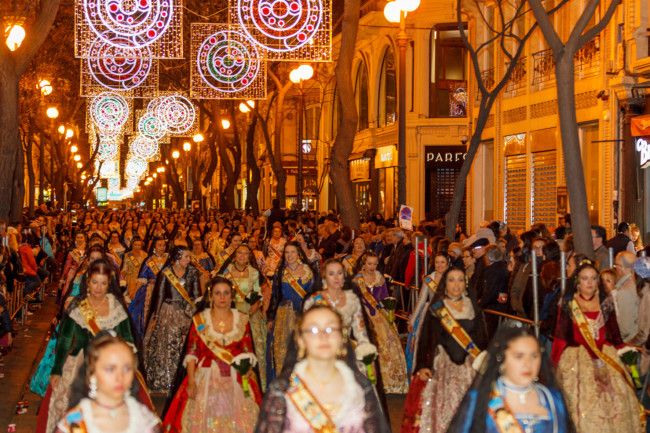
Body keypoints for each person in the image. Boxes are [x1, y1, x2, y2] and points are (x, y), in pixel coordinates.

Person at [36, 259, 140, 433]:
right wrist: (57, 369)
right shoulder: (78, 307)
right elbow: (65, 340)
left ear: (109, 284)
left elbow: (128, 340)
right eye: (94, 282)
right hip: (79, 365)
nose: (98, 287)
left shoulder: (116, 307)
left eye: (103, 283)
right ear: (87, 282)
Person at [254, 305, 391, 433]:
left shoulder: (360, 387)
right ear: (300, 340)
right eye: (313, 330)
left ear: (342, 338)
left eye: (331, 329)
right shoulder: (283, 390)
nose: (323, 336)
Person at [551, 262, 644, 433]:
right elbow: (561, 336)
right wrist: (553, 364)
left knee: (618, 402)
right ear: (577, 282)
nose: (590, 282)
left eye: (594, 278)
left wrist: (626, 355)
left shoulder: (605, 302)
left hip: (606, 356)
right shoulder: (568, 303)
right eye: (585, 278)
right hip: (577, 359)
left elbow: (615, 334)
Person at [163, 277, 262, 433]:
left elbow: (247, 350)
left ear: (232, 296)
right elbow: (192, 351)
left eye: (226, 293)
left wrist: (247, 374)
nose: (222, 297)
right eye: (217, 293)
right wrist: (191, 382)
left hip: (237, 376)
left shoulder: (242, 319)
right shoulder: (200, 320)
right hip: (206, 375)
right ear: (211, 296)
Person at [401, 267, 488, 433]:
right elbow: (426, 340)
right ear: (445, 284)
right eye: (451, 280)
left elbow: (482, 339)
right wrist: (423, 365)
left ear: (466, 283)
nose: (456, 284)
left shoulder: (473, 307)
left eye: (460, 280)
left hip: (469, 369)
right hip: (442, 368)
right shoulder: (438, 308)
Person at [447, 325, 573, 433]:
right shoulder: (483, 398)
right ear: (501, 358)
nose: (528, 364)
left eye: (534, 356)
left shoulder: (552, 399)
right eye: (519, 356)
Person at [55, 333, 160, 433]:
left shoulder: (143, 418)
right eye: (110, 369)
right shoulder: (76, 421)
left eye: (127, 368)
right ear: (92, 374)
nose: (120, 377)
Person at [143, 246, 201, 393]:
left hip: (187, 313)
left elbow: (196, 295)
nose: (189, 259)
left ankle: (185, 377)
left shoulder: (193, 272)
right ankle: (166, 379)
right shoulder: (166, 272)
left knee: (185, 344)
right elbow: (160, 295)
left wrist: (196, 312)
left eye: (189, 257)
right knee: (167, 344)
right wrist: (156, 316)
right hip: (168, 312)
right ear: (177, 258)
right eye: (186, 257)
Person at [303, 259, 377, 364]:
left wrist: (365, 348)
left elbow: (360, 331)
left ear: (344, 276)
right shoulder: (313, 301)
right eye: (331, 274)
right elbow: (306, 332)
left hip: (346, 354)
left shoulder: (352, 299)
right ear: (324, 277)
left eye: (339, 273)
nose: (336, 277)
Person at [354, 252, 408, 394]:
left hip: (380, 315)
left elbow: (384, 297)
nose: (372, 267)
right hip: (364, 315)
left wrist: (388, 309)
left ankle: (390, 382)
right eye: (369, 264)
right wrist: (366, 310)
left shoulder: (380, 278)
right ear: (364, 263)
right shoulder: (358, 280)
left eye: (375, 264)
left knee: (389, 344)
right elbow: (356, 299)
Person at [266, 242, 315, 382]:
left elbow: (314, 294)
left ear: (298, 253)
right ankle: (284, 382)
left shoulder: (308, 271)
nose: (289, 255)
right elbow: (275, 296)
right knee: (284, 349)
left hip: (303, 315)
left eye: (292, 252)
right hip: (284, 316)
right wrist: (271, 317)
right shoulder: (281, 272)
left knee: (303, 349)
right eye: (287, 252)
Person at [221, 244, 268, 388]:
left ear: (249, 257)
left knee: (253, 349)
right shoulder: (226, 271)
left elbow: (257, 295)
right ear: (234, 256)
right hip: (230, 314)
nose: (242, 256)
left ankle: (253, 385)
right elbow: (219, 292)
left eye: (246, 253)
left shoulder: (254, 272)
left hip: (250, 314)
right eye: (239, 253)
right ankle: (230, 385)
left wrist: (251, 312)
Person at [406, 252, 450, 375]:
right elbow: (421, 300)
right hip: (430, 314)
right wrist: (412, 320)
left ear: (447, 264)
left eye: (442, 262)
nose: (439, 265)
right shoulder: (429, 278)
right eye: (437, 262)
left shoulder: (452, 278)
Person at [128, 237, 168, 340]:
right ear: (154, 246)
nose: (162, 247)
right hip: (151, 289)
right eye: (159, 245)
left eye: (164, 245)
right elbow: (142, 277)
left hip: (167, 289)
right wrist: (134, 292)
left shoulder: (169, 258)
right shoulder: (149, 260)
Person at [612, 251, 640, 343]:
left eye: (615, 266)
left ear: (621, 268)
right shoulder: (639, 284)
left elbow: (625, 329)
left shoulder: (624, 291)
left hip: (630, 342)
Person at [120, 236, 147, 303]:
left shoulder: (145, 255)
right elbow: (124, 269)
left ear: (141, 246)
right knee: (129, 300)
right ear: (132, 245)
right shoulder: (127, 255)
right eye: (135, 245)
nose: (137, 247)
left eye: (139, 245)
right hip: (130, 280)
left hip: (141, 281)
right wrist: (121, 280)